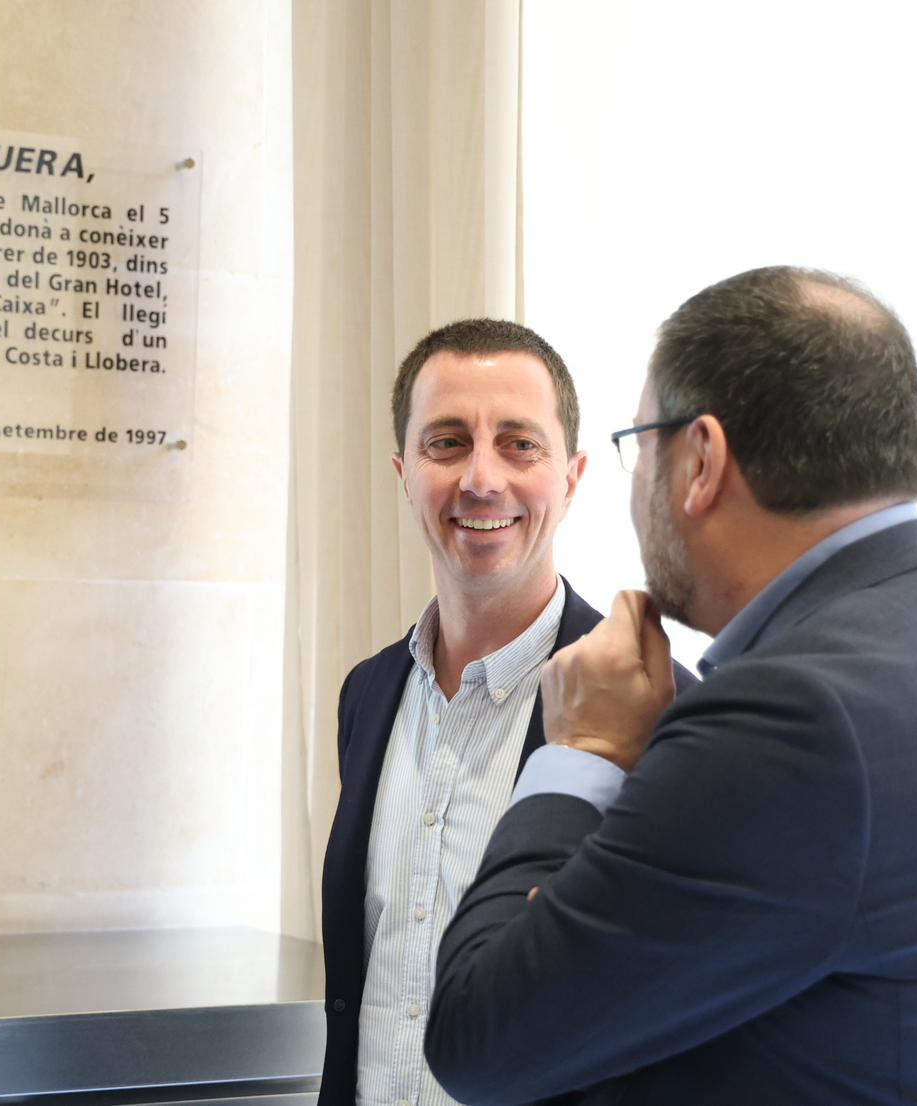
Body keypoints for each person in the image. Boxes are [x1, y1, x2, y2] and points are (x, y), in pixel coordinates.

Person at [425, 267, 917, 1105]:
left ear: (701, 459)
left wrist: (584, 753)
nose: (638, 484)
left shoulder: (791, 720)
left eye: (640, 446)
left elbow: (478, 1037)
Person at [317, 319, 693, 1106]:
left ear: (573, 475)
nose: (480, 479)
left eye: (520, 444)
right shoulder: (368, 693)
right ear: (403, 470)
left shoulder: (657, 703)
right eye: (446, 443)